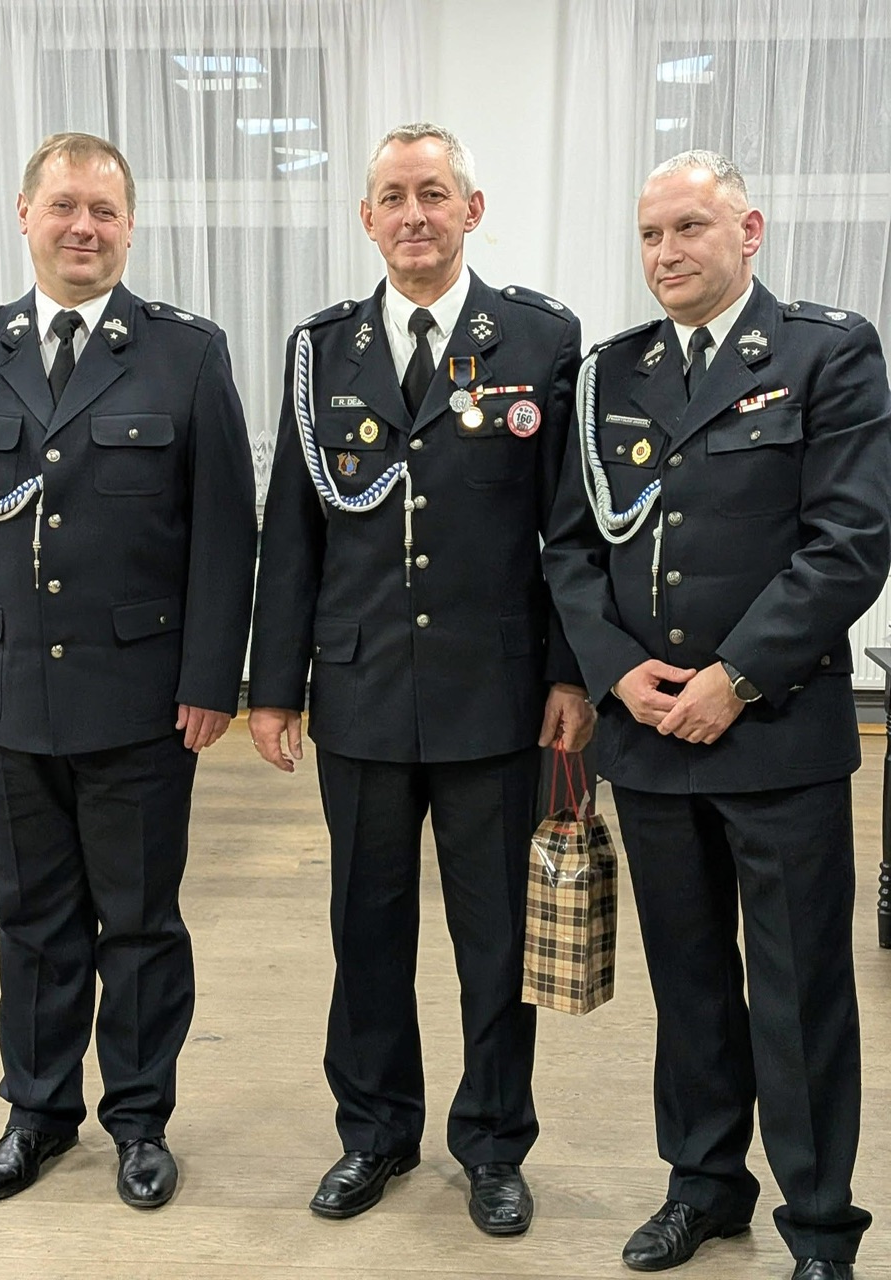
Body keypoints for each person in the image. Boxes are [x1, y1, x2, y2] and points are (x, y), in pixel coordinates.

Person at [543, 150, 891, 1280]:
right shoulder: (611, 373)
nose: (666, 252)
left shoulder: (826, 352)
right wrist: (614, 672)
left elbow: (850, 542)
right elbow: (570, 548)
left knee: (798, 992)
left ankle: (821, 1225)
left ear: (749, 230)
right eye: (650, 234)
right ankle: (702, 1186)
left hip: (776, 735)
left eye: (689, 227)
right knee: (689, 982)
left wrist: (733, 677)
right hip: (650, 738)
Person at [248, 121, 593, 1235]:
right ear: (366, 217)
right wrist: (273, 685)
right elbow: (292, 531)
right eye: (393, 196)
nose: (414, 214)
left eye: (434, 193)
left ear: (471, 210)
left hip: (496, 698)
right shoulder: (322, 350)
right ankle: (375, 1132)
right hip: (359, 694)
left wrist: (571, 675)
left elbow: (570, 527)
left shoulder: (538, 338)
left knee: (495, 940)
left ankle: (493, 1142)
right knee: (368, 929)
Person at [0, 132, 257, 1209]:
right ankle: (36, 1112)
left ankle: (140, 1120)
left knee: (141, 921)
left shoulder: (185, 353)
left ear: (129, 226)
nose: (84, 227)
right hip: (8, 691)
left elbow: (226, 533)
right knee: (31, 917)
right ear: (24, 213)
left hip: (141, 698)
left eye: (105, 211)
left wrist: (211, 678)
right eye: (65, 206)